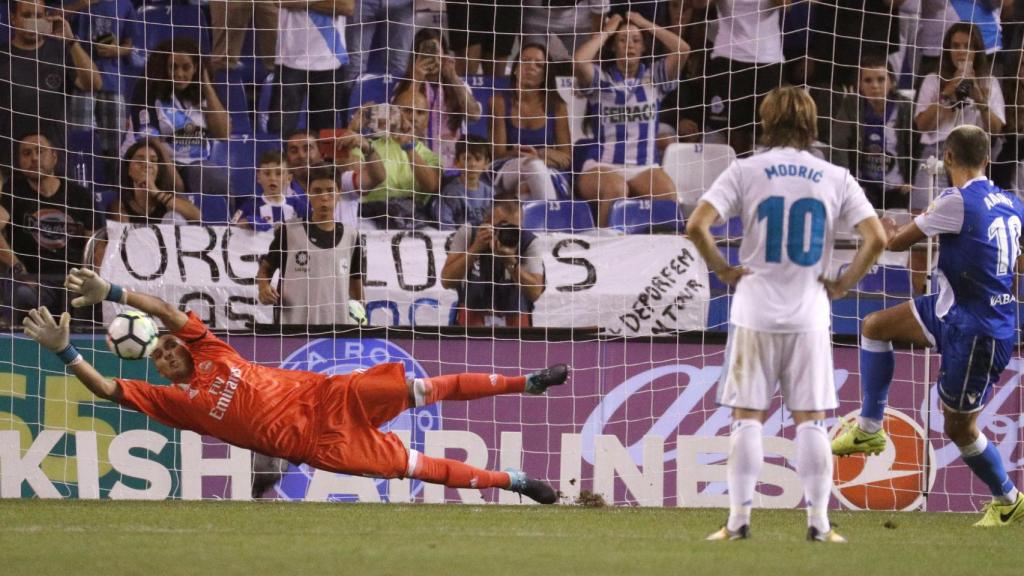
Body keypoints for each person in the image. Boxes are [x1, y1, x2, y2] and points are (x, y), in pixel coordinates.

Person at [23, 268, 566, 504]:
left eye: (170, 345)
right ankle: (514, 481)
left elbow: (165, 310)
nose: (167, 354)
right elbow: (107, 391)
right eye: (159, 355)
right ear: (156, 368)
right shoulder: (172, 402)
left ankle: (527, 382)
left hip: (330, 395)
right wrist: (64, 351)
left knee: (427, 388)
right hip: (317, 445)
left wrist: (114, 291)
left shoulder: (213, 350)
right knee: (416, 466)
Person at [686, 86, 886, 542]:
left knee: (747, 417)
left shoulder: (746, 170)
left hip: (754, 308)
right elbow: (875, 238)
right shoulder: (834, 175)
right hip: (810, 312)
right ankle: (818, 523)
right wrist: (841, 284)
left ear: (766, 121)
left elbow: (696, 225)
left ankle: (738, 520)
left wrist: (723, 270)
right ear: (811, 123)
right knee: (812, 420)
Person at [831, 124, 1024, 528]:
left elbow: (898, 243)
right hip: (954, 308)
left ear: (948, 158)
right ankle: (869, 428)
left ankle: (1008, 499)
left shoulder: (956, 199)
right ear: (987, 160)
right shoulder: (1012, 202)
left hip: (976, 331)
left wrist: (880, 229)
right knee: (875, 326)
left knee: (958, 426)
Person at [573, 12, 689, 227]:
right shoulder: (602, 80)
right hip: (601, 165)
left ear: (644, 47)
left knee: (669, 198)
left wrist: (644, 23)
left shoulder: (654, 78)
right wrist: (608, 30)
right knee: (616, 189)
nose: (630, 46)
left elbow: (683, 49)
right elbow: (579, 61)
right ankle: (604, 246)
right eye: (622, 40)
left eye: (636, 40)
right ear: (613, 46)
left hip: (643, 167)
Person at [0, 133, 97, 324]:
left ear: (54, 156)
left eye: (40, 151)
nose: (34, 158)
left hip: (74, 280)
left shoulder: (79, 195)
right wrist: (18, 268)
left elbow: (96, 243)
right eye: (26, 153)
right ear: (20, 162)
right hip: (31, 280)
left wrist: (92, 277)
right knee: (21, 294)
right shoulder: (13, 191)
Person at [913, 22, 1004, 211]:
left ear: (977, 51)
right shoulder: (933, 79)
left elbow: (996, 129)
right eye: (956, 46)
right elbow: (921, 125)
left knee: (969, 215)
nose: (961, 51)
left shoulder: (989, 82)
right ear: (948, 49)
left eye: (968, 46)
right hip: (936, 152)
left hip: (973, 156)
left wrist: (979, 98)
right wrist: (947, 92)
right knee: (924, 213)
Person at [256, 164, 363, 325]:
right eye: (317, 191)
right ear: (308, 193)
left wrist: (361, 314)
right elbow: (265, 269)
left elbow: (356, 284)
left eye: (330, 190)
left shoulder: (352, 237)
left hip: (338, 329)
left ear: (339, 193)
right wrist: (263, 288)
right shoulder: (288, 231)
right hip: (291, 327)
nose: (324, 197)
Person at [129, 38, 231, 196]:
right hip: (161, 164)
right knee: (210, 177)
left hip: (200, 164)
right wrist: (175, 181)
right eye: (173, 67)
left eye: (186, 67)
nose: (179, 74)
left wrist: (206, 85)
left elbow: (223, 134)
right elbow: (151, 141)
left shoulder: (201, 95)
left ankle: (226, 220)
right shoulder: (147, 91)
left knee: (213, 177)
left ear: (196, 67)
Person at [0, 0, 101, 157]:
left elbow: (94, 84)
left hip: (54, 161)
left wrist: (71, 41)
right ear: (13, 18)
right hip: (8, 161)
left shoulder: (62, 52)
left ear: (46, 17)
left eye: (38, 15)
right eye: (26, 15)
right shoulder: (2, 55)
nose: (33, 21)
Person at [441, 194, 546, 327]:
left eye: (515, 228)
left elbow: (535, 293)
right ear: (487, 220)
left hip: (515, 325)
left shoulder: (528, 242)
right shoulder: (469, 233)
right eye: (503, 226)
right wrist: (475, 249)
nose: (508, 233)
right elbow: (447, 281)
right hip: (472, 322)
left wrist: (511, 263)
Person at [697, 0, 786, 157]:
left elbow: (785, 4)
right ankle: (735, 177)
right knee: (732, 133)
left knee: (767, 133)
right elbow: (698, 4)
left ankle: (760, 178)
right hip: (728, 57)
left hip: (767, 60)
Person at [830, 54, 919, 209]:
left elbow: (918, 145)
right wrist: (847, 182)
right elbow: (838, 145)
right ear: (859, 84)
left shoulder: (906, 107)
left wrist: (912, 179)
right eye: (868, 80)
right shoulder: (851, 105)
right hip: (862, 186)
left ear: (891, 82)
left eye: (881, 79)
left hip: (899, 187)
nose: (875, 86)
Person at [349, 89, 442, 230]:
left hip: (412, 217)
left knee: (433, 237)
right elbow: (352, 180)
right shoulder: (366, 145)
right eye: (407, 111)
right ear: (392, 113)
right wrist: (352, 132)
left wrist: (409, 146)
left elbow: (432, 186)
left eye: (420, 113)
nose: (414, 118)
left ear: (427, 119)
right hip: (369, 216)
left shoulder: (430, 155)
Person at [491, 43, 572, 201]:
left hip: (546, 167)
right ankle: (551, 219)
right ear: (515, 69)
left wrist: (540, 156)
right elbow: (498, 155)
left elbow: (566, 158)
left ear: (544, 75)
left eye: (539, 65)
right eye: (525, 61)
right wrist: (530, 154)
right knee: (533, 166)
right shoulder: (499, 102)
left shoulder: (557, 106)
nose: (531, 67)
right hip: (509, 167)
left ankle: (533, 221)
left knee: (525, 190)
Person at [391, 30, 482, 169]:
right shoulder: (404, 86)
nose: (432, 57)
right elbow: (399, 122)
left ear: (444, 54)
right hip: (417, 164)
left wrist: (452, 77)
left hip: (455, 164)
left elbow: (474, 115)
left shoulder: (459, 85)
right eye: (426, 53)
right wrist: (417, 78)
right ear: (417, 56)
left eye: (435, 52)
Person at [270, 0, 351, 136]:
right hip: (290, 59)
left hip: (330, 60)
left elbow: (346, 7)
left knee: (324, 136)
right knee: (280, 130)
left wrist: (299, 4)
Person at [108, 139, 201, 225]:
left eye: (153, 161)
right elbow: (124, 235)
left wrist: (156, 192)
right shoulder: (119, 205)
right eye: (139, 161)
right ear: (129, 170)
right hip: (138, 242)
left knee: (174, 217)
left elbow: (197, 216)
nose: (147, 165)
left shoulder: (168, 200)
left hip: (170, 242)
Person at [232, 151, 308, 231]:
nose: (272, 178)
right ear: (258, 177)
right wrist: (244, 223)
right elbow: (232, 227)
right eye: (267, 173)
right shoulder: (249, 206)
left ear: (288, 179)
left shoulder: (298, 206)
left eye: (278, 174)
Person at [436, 137, 493, 229]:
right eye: (467, 159)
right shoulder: (451, 192)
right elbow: (445, 224)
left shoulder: (490, 192)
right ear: (457, 162)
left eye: (478, 159)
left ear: (486, 163)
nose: (472, 164)